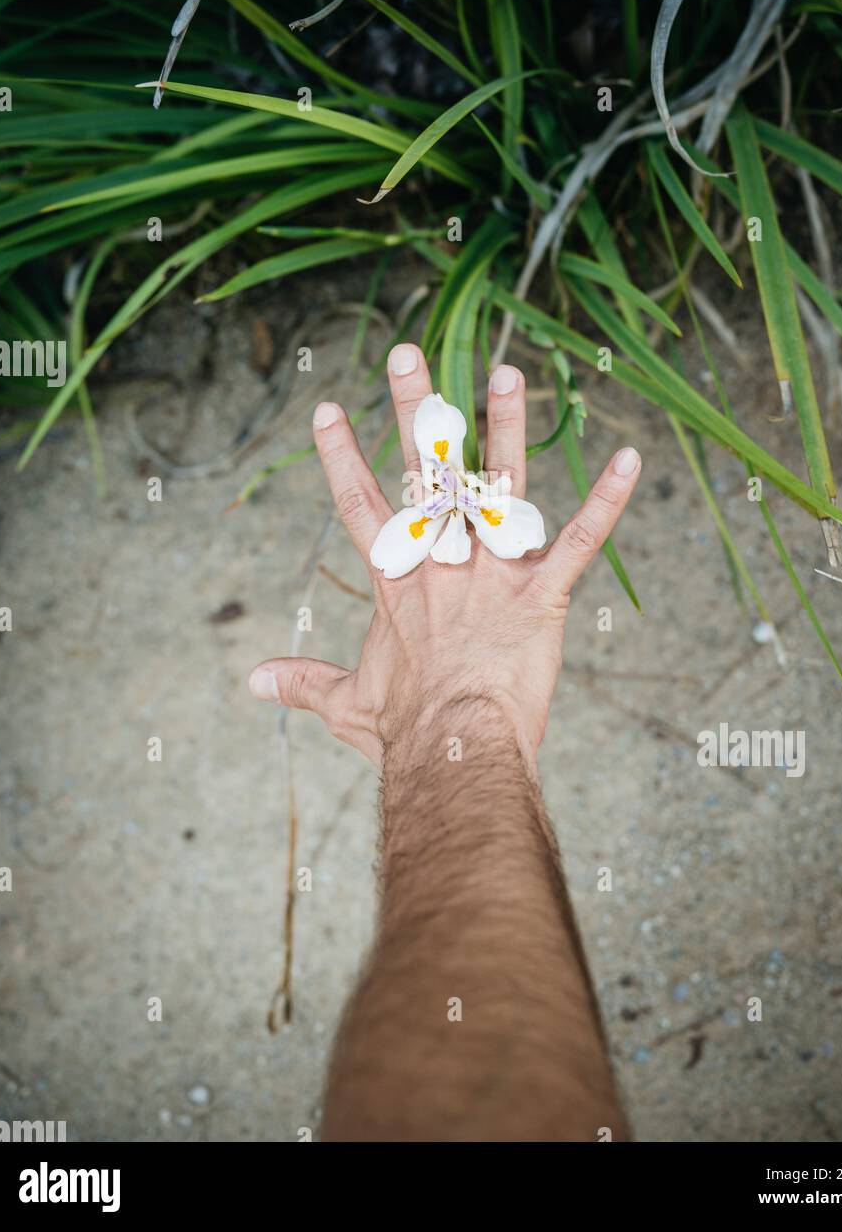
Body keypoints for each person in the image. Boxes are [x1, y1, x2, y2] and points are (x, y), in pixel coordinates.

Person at [248, 343, 642, 1142]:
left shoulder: (453, 528)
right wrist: (459, 710)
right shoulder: (443, 529)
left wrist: (446, 715)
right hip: (449, 526)